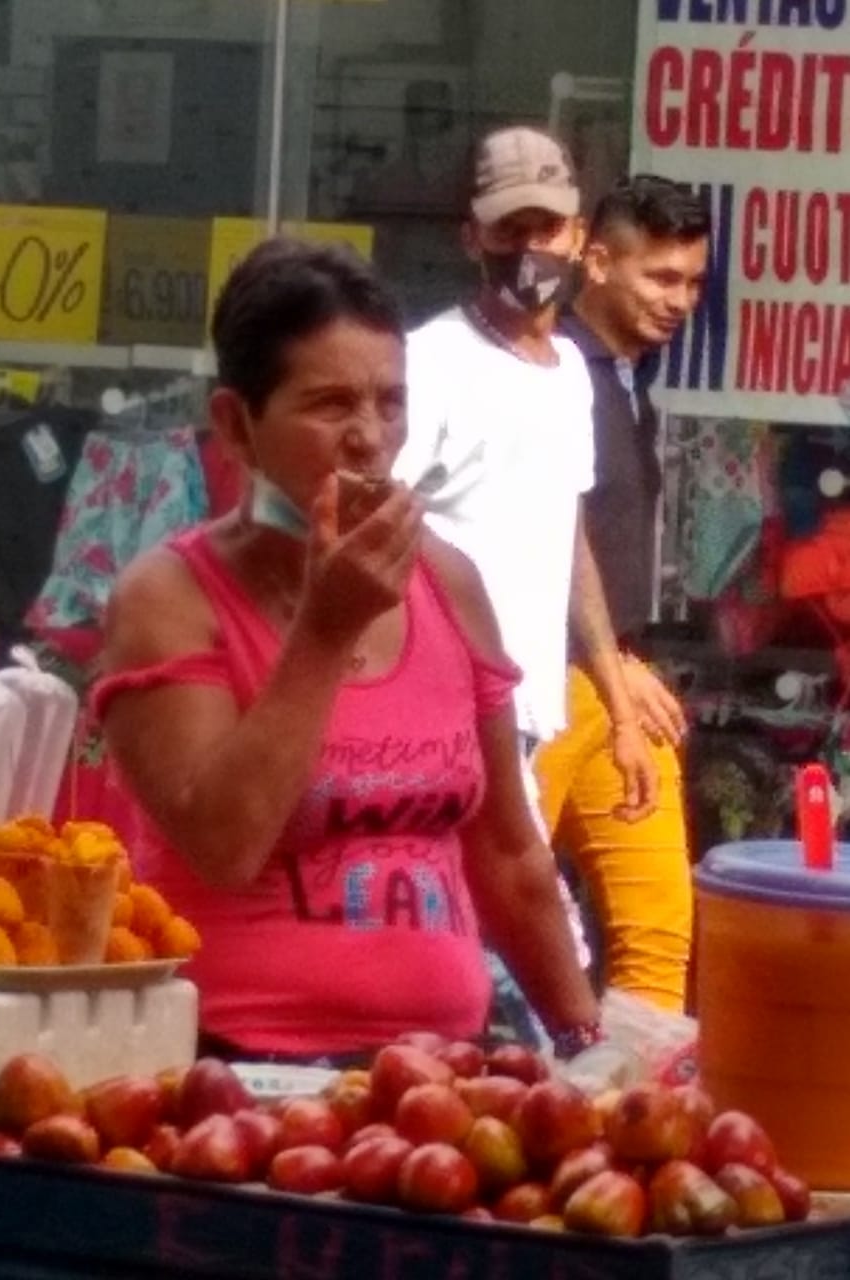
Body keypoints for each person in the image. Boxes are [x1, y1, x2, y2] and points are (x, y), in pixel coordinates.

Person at [95, 236, 600, 1065]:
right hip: (230, 1074)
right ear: (237, 426)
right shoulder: (169, 597)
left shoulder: (447, 580)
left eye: (390, 403)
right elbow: (224, 843)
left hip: (438, 1078)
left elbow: (510, 857)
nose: (370, 438)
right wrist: (326, 630)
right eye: (330, 405)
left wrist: (586, 1045)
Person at [395, 124, 658, 842]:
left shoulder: (569, 371)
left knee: (498, 935)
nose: (527, 248)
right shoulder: (432, 362)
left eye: (544, 226)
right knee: (524, 932)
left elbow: (567, 542)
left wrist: (621, 716)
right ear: (471, 239)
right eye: (507, 230)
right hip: (443, 716)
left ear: (577, 236)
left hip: (532, 713)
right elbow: (374, 530)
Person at [535, 176, 711, 1012]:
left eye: (693, 282)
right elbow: (546, 533)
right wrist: (610, 666)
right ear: (596, 262)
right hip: (542, 687)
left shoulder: (624, 379)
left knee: (658, 936)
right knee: (498, 927)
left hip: (609, 687)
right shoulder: (554, 370)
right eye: (661, 278)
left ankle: (634, 1127)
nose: (680, 300)